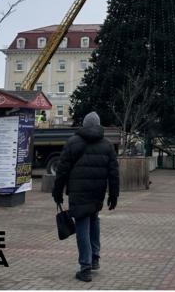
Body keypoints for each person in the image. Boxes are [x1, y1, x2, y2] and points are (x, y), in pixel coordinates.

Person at [52, 112, 119, 283]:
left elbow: (62, 170)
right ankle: (95, 257)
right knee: (93, 220)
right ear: (98, 125)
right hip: (97, 192)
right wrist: (113, 195)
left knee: (82, 224)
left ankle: (85, 267)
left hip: (78, 192)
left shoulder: (73, 142)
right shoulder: (107, 145)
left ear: (84, 124)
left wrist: (57, 192)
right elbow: (114, 173)